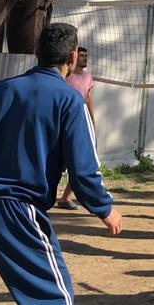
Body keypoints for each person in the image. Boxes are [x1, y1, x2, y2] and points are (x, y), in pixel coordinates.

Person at [0, 23, 122, 305]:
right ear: (72, 57)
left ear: (36, 53)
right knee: (54, 298)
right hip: (13, 210)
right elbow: (83, 169)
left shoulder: (0, 90)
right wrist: (105, 208)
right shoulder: (70, 101)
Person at [56, 46, 95, 210]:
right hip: (66, 123)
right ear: (74, 57)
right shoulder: (67, 77)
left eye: (86, 55)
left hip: (81, 122)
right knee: (58, 163)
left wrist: (92, 121)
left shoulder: (88, 76)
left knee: (79, 162)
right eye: (82, 55)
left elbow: (88, 99)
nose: (85, 58)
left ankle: (65, 198)